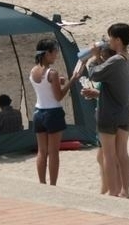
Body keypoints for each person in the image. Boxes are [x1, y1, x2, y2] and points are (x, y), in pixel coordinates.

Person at [86, 23, 129, 198]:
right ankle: (126, 191)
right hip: (124, 113)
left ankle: (114, 191)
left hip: (108, 113)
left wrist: (93, 58)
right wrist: (101, 59)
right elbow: (110, 74)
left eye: (110, 38)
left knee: (108, 154)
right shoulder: (128, 59)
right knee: (122, 153)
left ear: (117, 40)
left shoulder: (115, 60)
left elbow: (94, 74)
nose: (108, 41)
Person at [29, 38, 78, 185]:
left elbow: (45, 85)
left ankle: (42, 183)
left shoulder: (33, 71)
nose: (56, 55)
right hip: (53, 113)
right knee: (54, 152)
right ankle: (53, 185)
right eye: (55, 52)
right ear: (47, 53)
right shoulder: (52, 73)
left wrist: (59, 81)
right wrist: (72, 81)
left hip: (38, 112)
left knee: (42, 151)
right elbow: (59, 96)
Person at [80, 42, 117, 194]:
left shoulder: (113, 70)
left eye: (103, 55)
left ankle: (111, 189)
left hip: (109, 116)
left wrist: (95, 57)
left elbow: (117, 96)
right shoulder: (115, 69)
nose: (101, 58)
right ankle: (105, 188)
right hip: (104, 113)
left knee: (108, 156)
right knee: (102, 156)